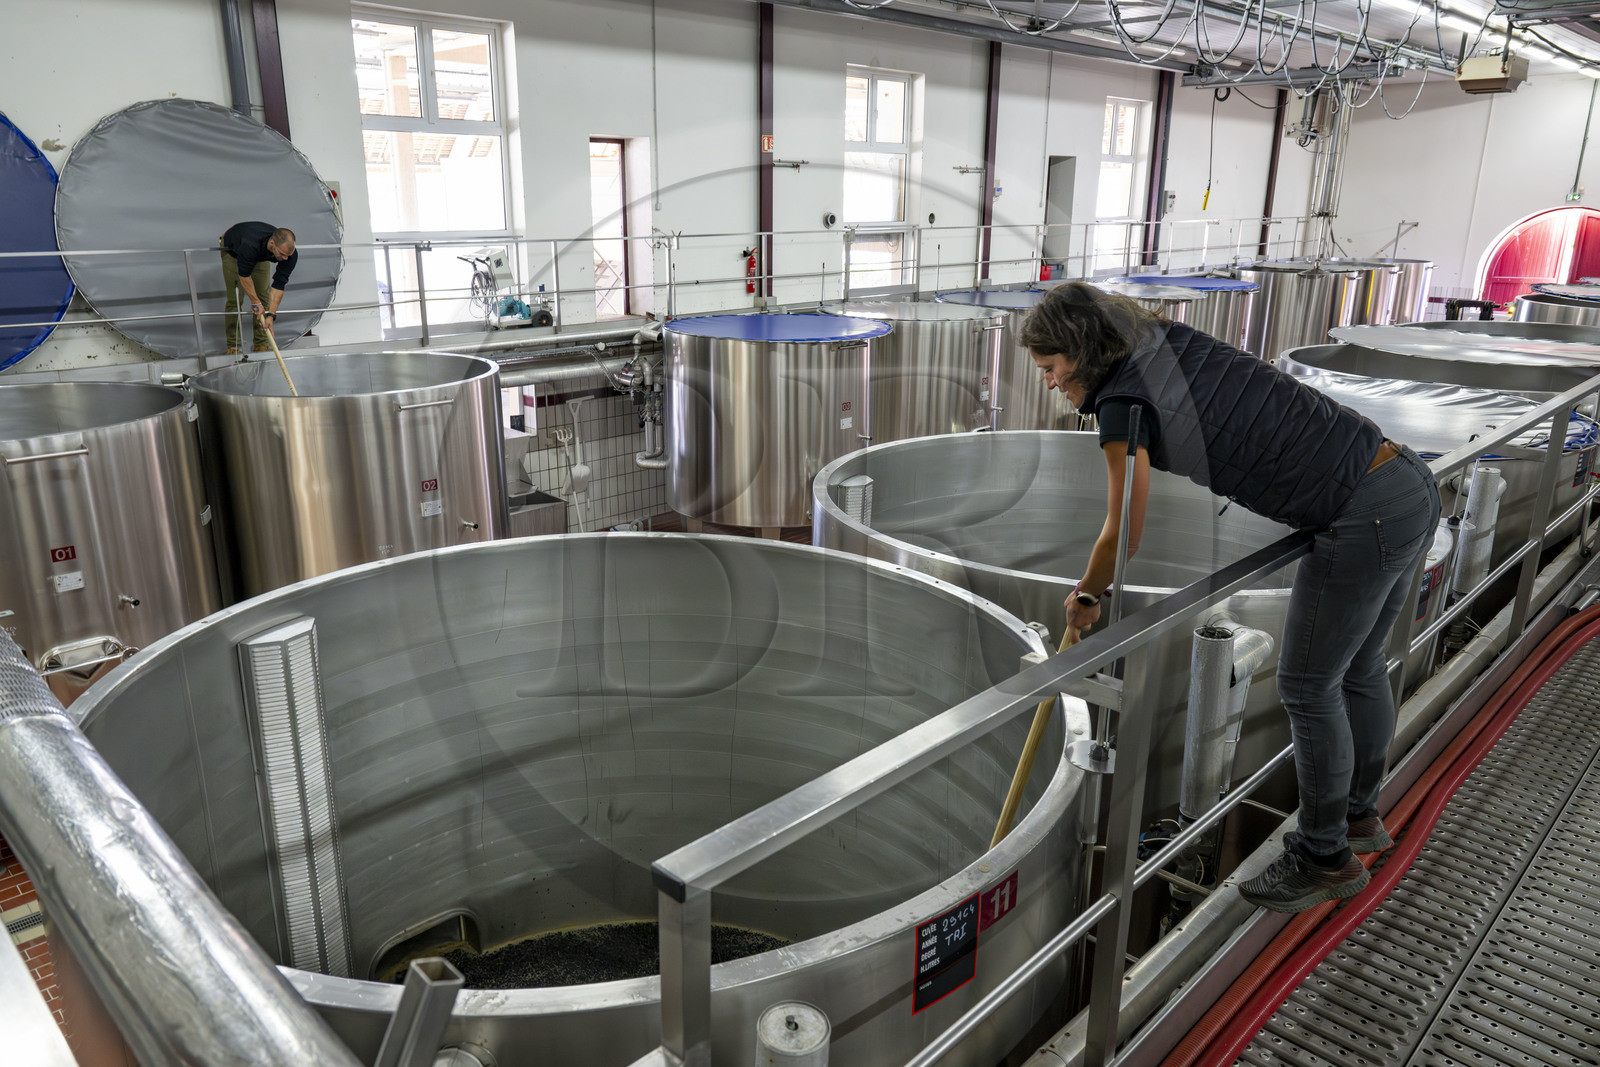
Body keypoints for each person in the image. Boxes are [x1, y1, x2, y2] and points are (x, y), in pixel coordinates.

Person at [1021, 281, 1442, 914]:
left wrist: (1087, 594)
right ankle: (1357, 819)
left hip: (1359, 518)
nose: (1051, 383)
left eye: (1051, 369)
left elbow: (1124, 531)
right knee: (1356, 671)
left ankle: (1323, 856)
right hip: (1404, 483)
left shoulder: (1121, 404)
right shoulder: (1165, 345)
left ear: (1081, 354)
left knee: (1307, 685)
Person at [220, 222, 297, 354]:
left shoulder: (289, 255)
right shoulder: (250, 245)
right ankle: (233, 345)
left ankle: (261, 344)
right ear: (272, 243)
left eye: (287, 256)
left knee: (264, 298)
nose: (285, 259)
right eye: (282, 254)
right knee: (235, 300)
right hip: (233, 251)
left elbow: (279, 285)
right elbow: (244, 276)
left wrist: (271, 315)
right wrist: (255, 302)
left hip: (260, 255)